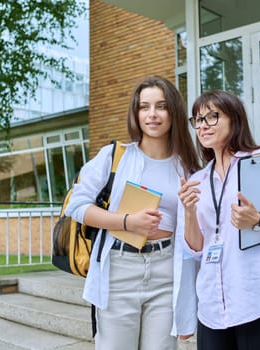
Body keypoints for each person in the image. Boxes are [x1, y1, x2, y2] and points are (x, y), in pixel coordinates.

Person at [64, 75, 201, 350]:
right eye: (144, 107)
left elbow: (196, 237)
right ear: (135, 113)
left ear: (173, 111)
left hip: (167, 269)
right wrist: (128, 222)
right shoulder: (114, 156)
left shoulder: (188, 167)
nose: (152, 114)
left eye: (161, 106)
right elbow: (76, 206)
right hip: (119, 268)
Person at [178, 90, 260, 350]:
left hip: (258, 300)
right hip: (211, 307)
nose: (202, 125)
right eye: (197, 120)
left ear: (235, 119)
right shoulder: (197, 181)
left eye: (211, 117)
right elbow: (195, 250)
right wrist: (189, 212)